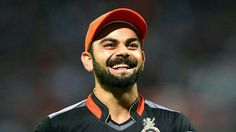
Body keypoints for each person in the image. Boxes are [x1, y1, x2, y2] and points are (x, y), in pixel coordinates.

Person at [35, 8, 195, 132]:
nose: (123, 52)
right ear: (88, 60)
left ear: (143, 59)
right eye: (110, 45)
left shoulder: (174, 124)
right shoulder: (57, 126)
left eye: (132, 45)